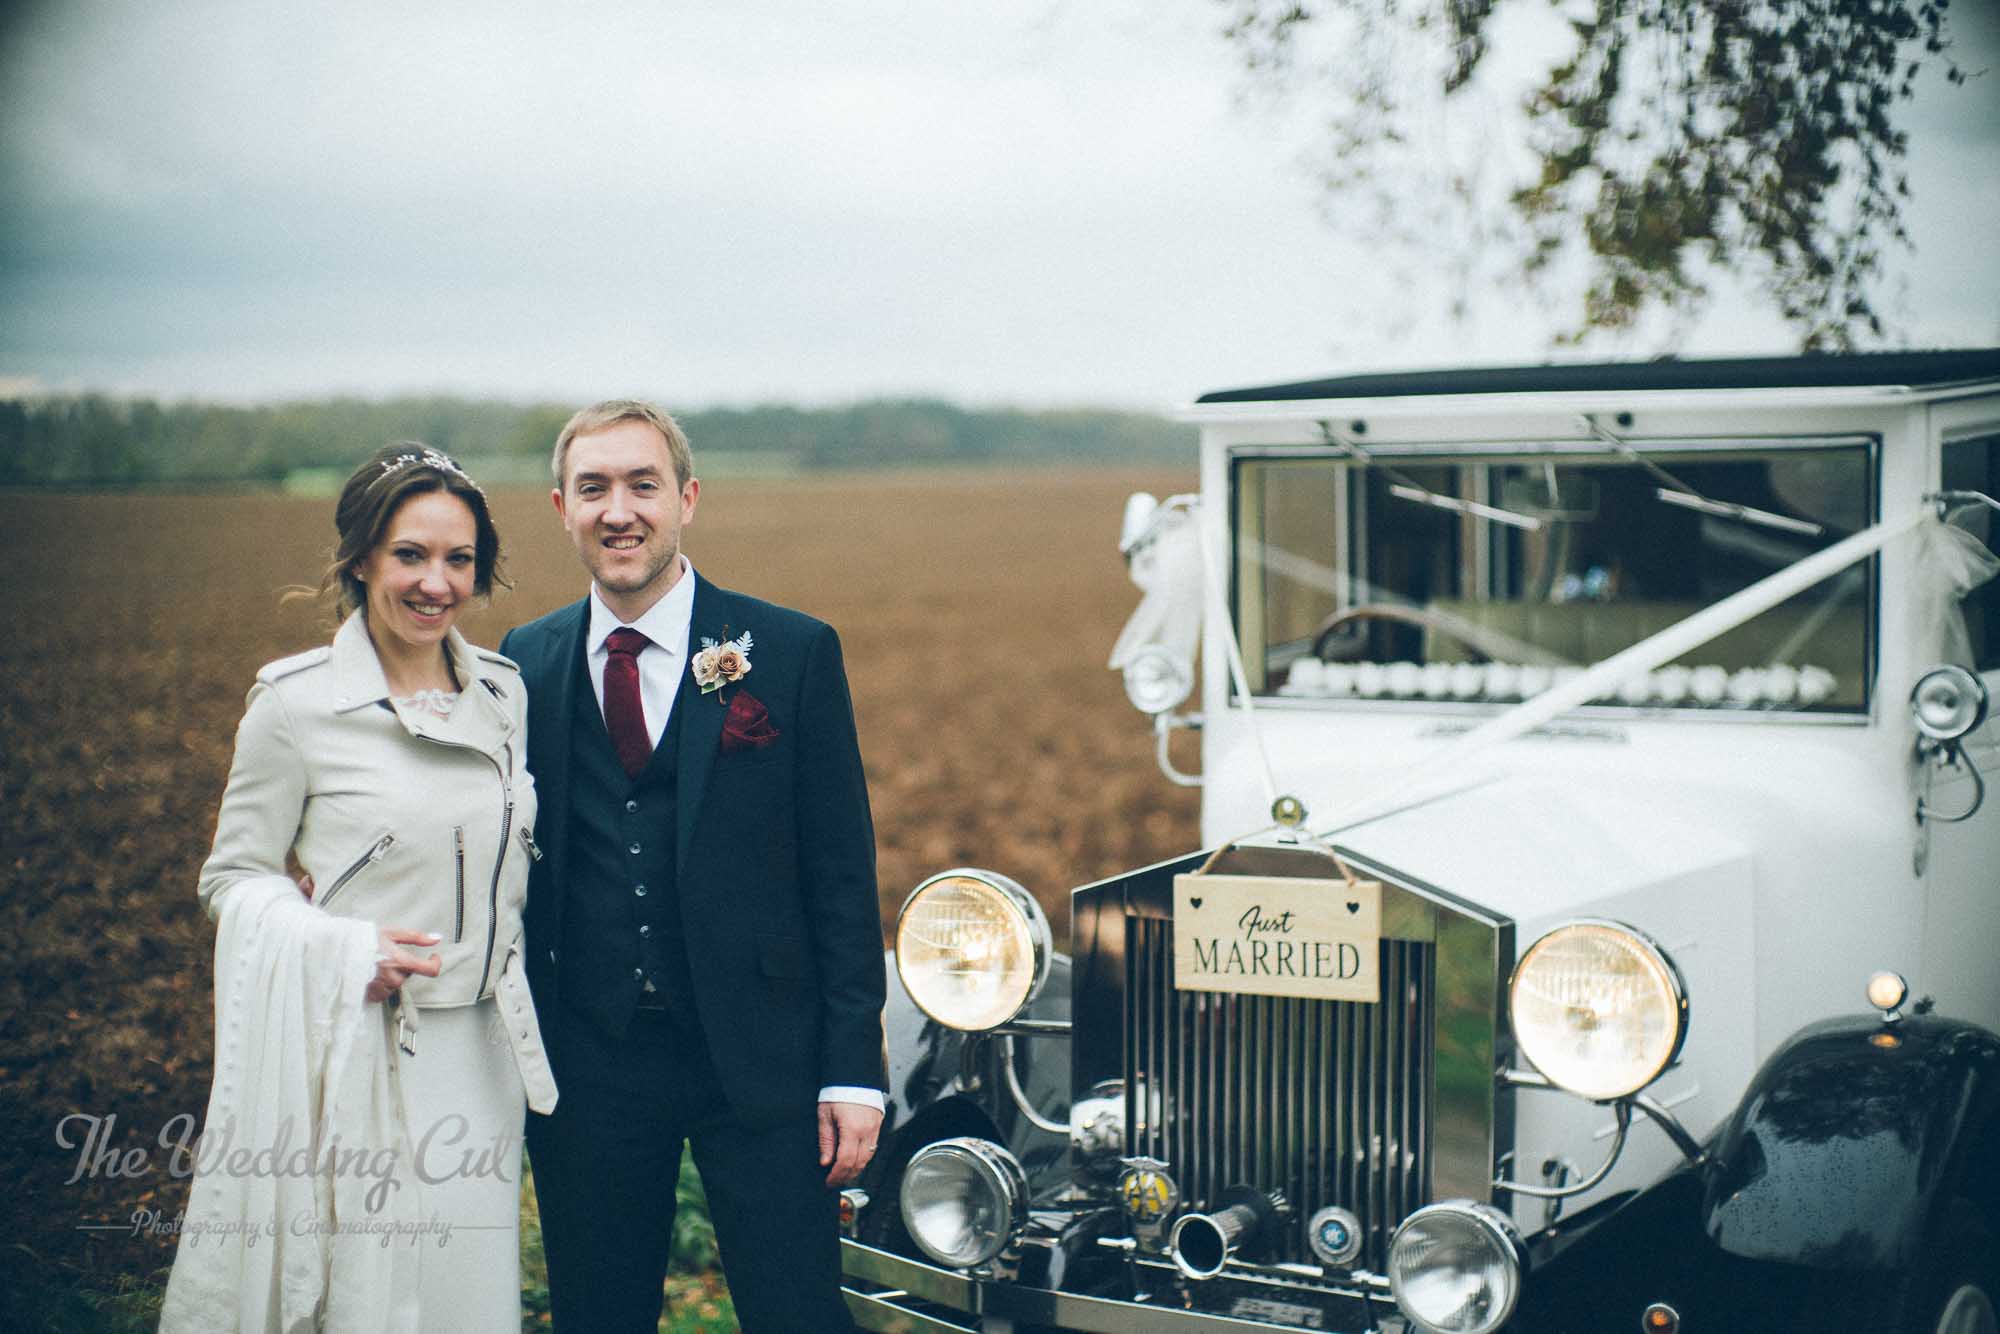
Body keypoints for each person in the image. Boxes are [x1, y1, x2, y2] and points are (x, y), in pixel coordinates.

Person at [499, 400, 886, 1332]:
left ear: (688, 499)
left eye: (643, 484)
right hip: (589, 1061)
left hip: (762, 1054)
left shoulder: (790, 653)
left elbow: (841, 873)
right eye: (593, 488)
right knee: (598, 1315)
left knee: (796, 1314)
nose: (618, 510)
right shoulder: (524, 662)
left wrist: (852, 1071)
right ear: (561, 506)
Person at [159, 445, 556, 1334]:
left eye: (459, 558)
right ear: (363, 558)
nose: (436, 583)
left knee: (465, 1298)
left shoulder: (504, 693)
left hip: (486, 1057)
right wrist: (338, 951)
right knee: (367, 1301)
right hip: (364, 1052)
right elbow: (232, 877)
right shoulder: (294, 704)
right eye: (410, 554)